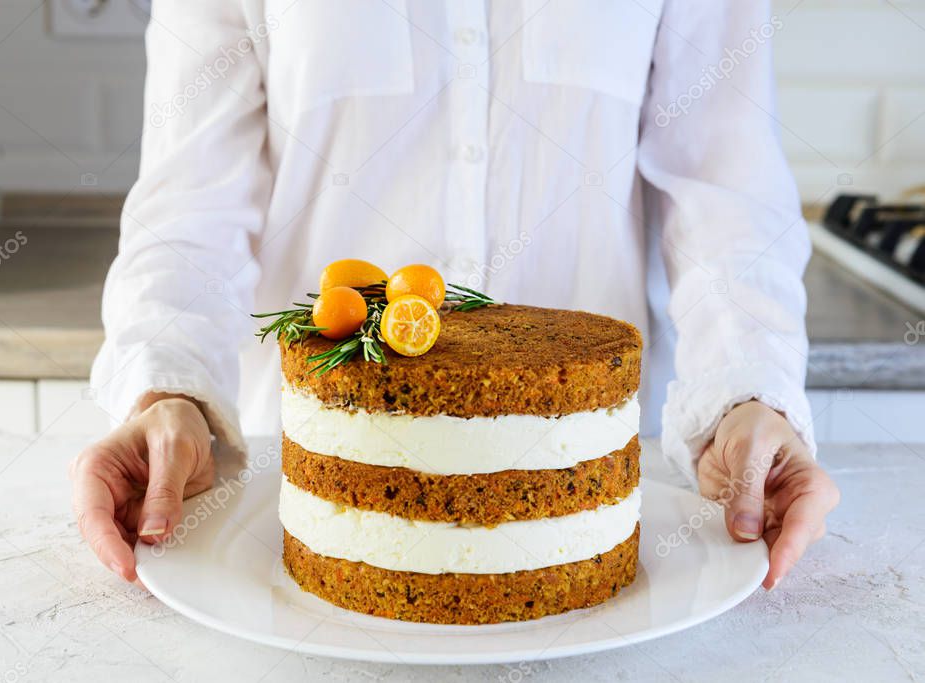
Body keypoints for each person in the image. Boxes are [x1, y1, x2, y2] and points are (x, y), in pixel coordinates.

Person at [70, 1, 839, 591]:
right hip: (306, 518)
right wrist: (163, 386)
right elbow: (190, 204)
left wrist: (750, 390)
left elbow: (724, 190)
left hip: (592, 522)